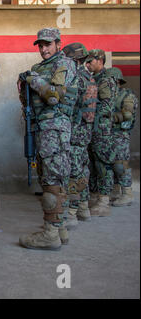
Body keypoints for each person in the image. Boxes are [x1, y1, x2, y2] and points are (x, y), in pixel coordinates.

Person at [17, 28, 78, 250]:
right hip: (42, 127)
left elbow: (53, 96)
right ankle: (59, 229)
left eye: (47, 44)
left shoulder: (64, 64)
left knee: (53, 180)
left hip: (55, 128)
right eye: (40, 45)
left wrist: (32, 80)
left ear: (58, 44)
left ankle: (50, 234)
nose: (43, 49)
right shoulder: (40, 68)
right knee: (50, 178)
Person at [61, 43, 98, 229]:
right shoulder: (89, 78)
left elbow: (68, 106)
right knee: (83, 168)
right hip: (86, 131)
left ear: (73, 59)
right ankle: (84, 207)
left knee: (73, 172)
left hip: (75, 130)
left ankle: (72, 213)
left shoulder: (75, 78)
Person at [85, 49, 118, 217]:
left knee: (103, 163)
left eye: (90, 61)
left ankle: (104, 200)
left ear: (100, 60)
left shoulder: (106, 80)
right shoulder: (92, 79)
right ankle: (95, 196)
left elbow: (106, 106)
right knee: (91, 163)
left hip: (101, 128)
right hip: (91, 127)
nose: (87, 64)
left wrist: (90, 114)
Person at [106, 67, 138, 207]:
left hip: (120, 134)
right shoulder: (108, 97)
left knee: (120, 164)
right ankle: (116, 191)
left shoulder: (126, 95)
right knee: (111, 164)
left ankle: (127, 193)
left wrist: (110, 117)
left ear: (116, 81)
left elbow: (127, 114)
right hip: (109, 134)